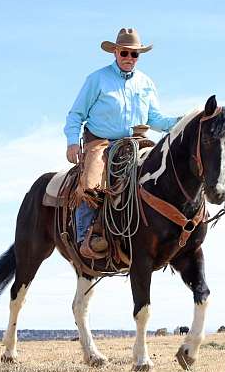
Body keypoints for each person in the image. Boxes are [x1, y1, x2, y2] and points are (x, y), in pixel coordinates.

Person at [63, 28, 180, 259]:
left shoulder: (146, 83)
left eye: (134, 54)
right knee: (92, 181)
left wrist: (181, 121)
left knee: (158, 173)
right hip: (101, 142)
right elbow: (76, 114)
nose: (129, 58)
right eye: (124, 53)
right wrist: (72, 142)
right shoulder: (97, 79)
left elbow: (155, 119)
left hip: (135, 142)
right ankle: (85, 235)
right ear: (115, 52)